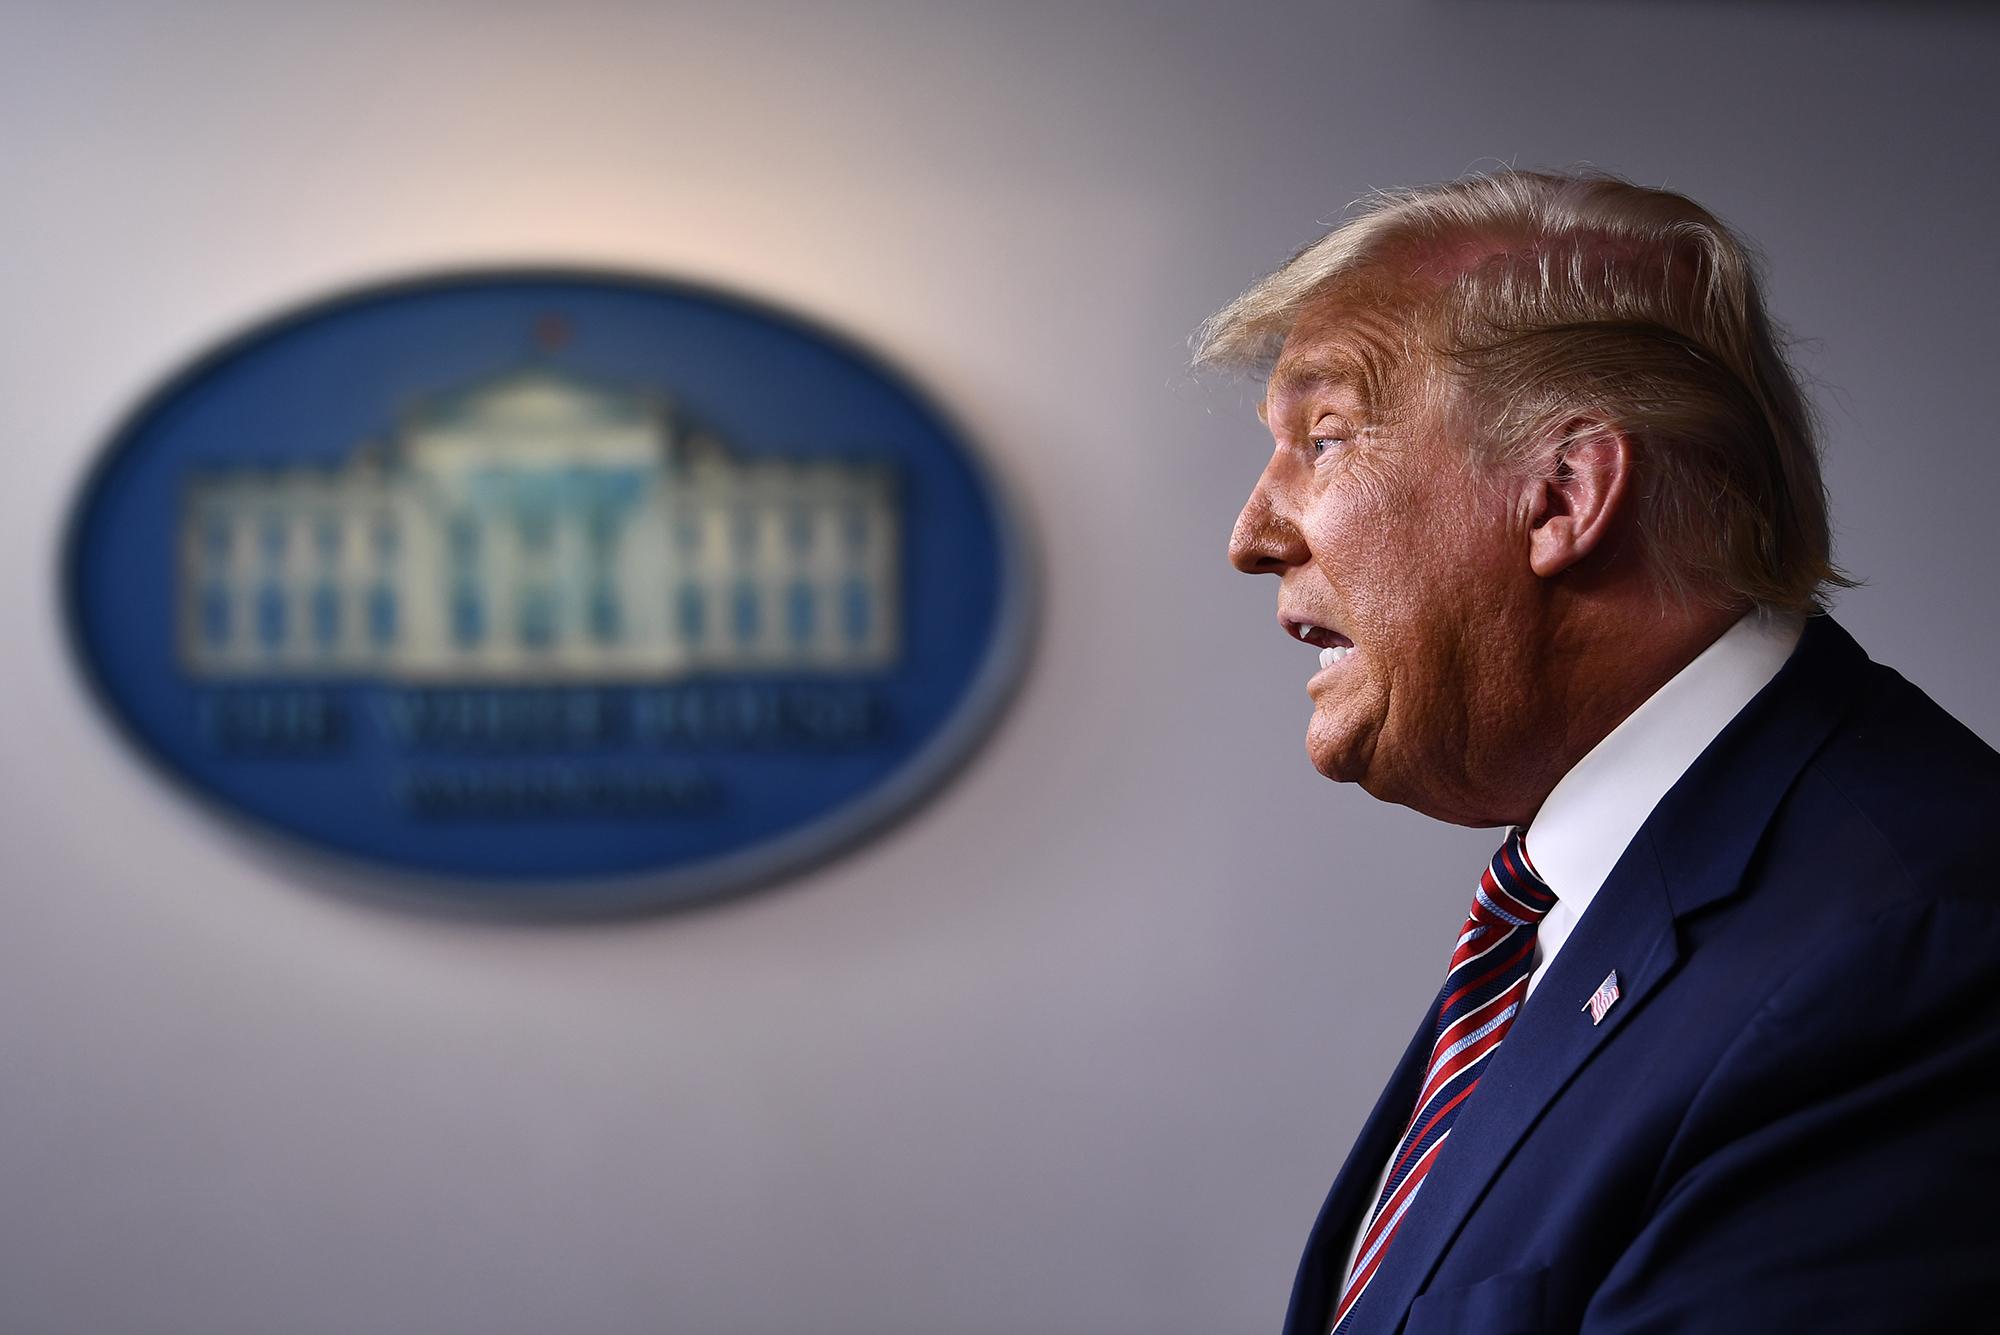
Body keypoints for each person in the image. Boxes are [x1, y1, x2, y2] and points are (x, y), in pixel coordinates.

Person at [1195, 169, 2000, 1333]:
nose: (1251, 535)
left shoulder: (1915, 948)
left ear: (1561, 493)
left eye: (1323, 438)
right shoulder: (1580, 908)